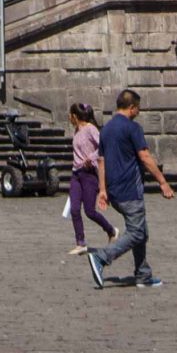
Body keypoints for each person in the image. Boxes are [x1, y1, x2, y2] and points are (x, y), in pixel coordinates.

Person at [85, 89, 174, 291]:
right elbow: (144, 157)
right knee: (136, 232)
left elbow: (101, 161)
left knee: (141, 231)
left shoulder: (106, 129)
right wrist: (162, 182)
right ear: (132, 108)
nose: (139, 112)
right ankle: (101, 257)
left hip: (114, 190)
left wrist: (102, 189)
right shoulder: (133, 128)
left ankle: (143, 274)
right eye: (138, 108)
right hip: (129, 189)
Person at [67, 103, 116, 255]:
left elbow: (103, 146)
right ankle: (80, 242)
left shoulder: (90, 129)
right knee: (74, 209)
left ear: (75, 115)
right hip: (76, 174)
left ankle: (111, 230)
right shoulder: (76, 131)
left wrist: (92, 157)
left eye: (70, 114)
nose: (69, 117)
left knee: (89, 211)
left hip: (89, 174)